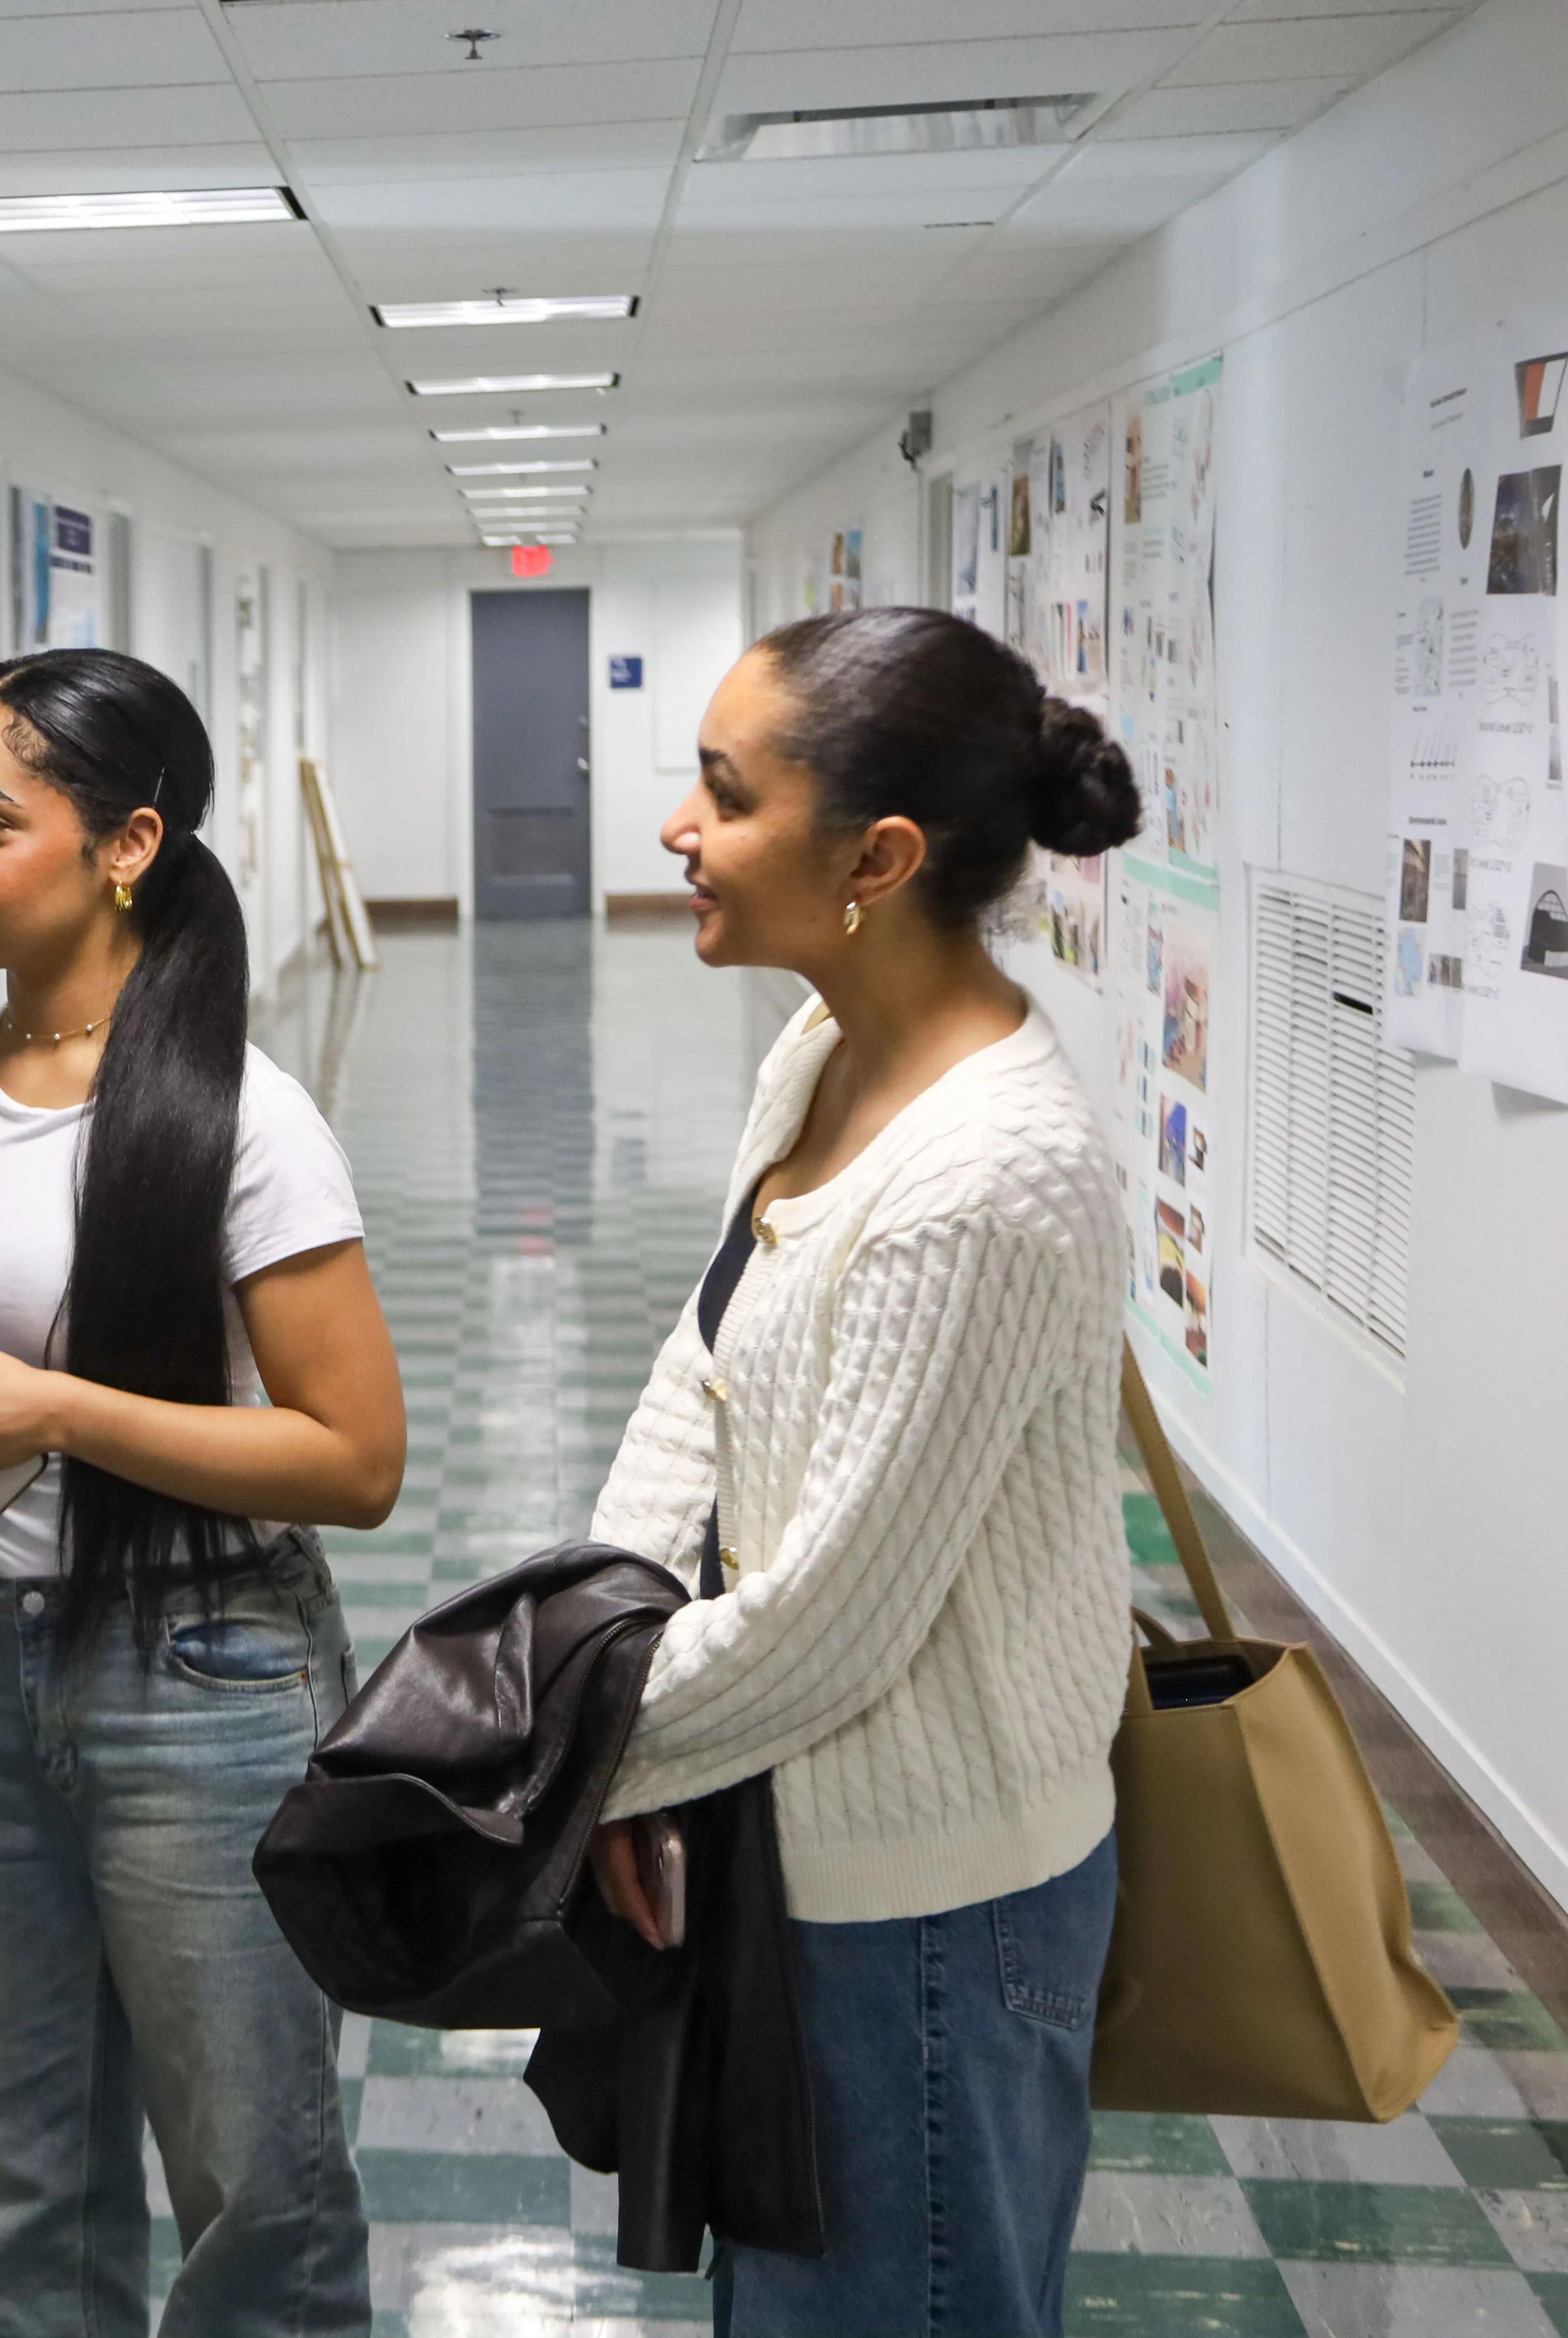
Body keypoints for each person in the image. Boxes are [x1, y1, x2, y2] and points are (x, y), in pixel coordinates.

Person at [0, 649, 407, 2338]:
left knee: (254, 2203)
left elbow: (354, 1459)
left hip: (212, 1680)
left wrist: (56, 1415)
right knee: (10, 2191)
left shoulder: (247, 1122)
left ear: (126, 843)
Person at [585, 606, 1146, 2334]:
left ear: (879, 858)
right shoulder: (827, 1053)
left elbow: (834, 1623)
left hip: (926, 1916)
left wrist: (579, 1749)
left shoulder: (985, 1182)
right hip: (789, 1833)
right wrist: (604, 1647)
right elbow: (705, 1369)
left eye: (723, 792)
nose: (677, 827)